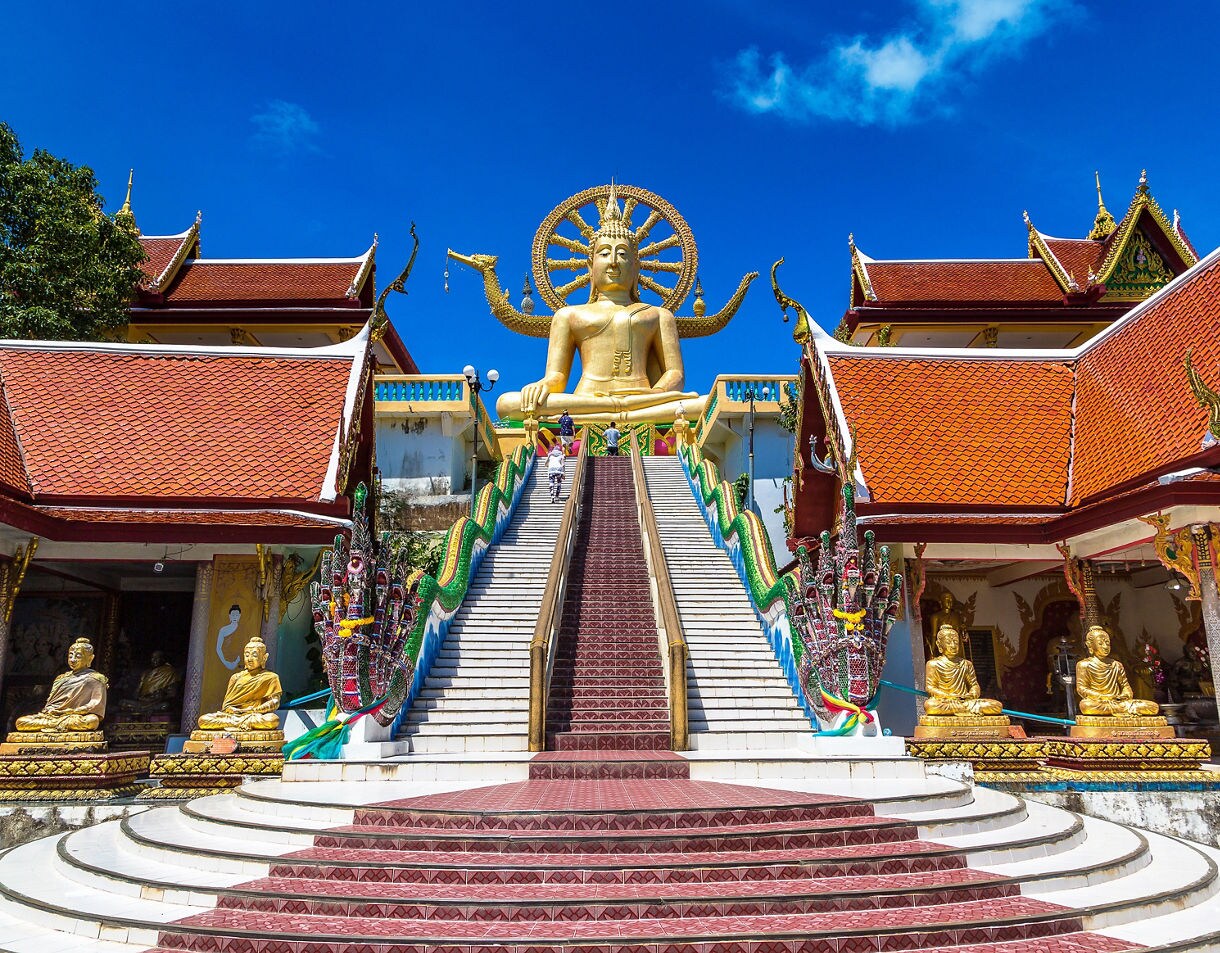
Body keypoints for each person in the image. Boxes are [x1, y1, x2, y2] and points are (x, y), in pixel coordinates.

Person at [494, 184, 705, 423]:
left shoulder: (658, 315)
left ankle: (621, 410)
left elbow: (675, 374)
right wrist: (541, 386)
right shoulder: (569, 315)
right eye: (604, 253)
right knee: (508, 403)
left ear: (636, 267)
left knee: (703, 403)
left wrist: (654, 394)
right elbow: (557, 376)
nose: (614, 262)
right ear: (590, 267)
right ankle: (621, 412)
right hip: (590, 399)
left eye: (623, 254)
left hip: (644, 398)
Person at [14, 638, 108, 732]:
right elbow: (51, 704)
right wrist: (51, 711)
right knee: (20, 722)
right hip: (53, 717)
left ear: (90, 658)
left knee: (92, 721)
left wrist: (72, 711)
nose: (73, 659)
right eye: (70, 655)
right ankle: (55, 725)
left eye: (78, 656)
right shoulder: (61, 678)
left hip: (75, 716)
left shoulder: (96, 678)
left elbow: (95, 704)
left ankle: (52, 725)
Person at [196, 636, 283, 731]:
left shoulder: (270, 677)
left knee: (272, 720)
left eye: (254, 655)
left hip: (253, 715)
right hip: (232, 716)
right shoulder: (236, 677)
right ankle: (238, 724)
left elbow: (275, 702)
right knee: (203, 720)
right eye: (247, 655)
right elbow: (226, 705)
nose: (249, 659)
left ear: (264, 658)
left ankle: (236, 724)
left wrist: (253, 710)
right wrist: (232, 710)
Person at [1076, 625, 1160, 717]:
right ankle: (1122, 711)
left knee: (1153, 707)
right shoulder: (1084, 665)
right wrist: (1102, 696)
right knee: (1086, 706)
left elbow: (1125, 686)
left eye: (1107, 643)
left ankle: (1121, 710)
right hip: (1099, 702)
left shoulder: (1116, 664)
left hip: (1119, 702)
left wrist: (1125, 695)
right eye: (1100, 643)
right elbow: (1082, 689)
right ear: (1090, 645)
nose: (1105, 646)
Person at [923, 625, 1003, 716]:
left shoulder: (966, 664)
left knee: (997, 705)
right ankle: (965, 711)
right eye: (948, 642)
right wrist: (948, 696)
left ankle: (962, 711)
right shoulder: (933, 664)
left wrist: (972, 694)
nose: (953, 646)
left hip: (966, 702)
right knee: (930, 706)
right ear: (939, 645)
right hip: (947, 701)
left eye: (956, 642)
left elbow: (974, 685)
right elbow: (930, 688)